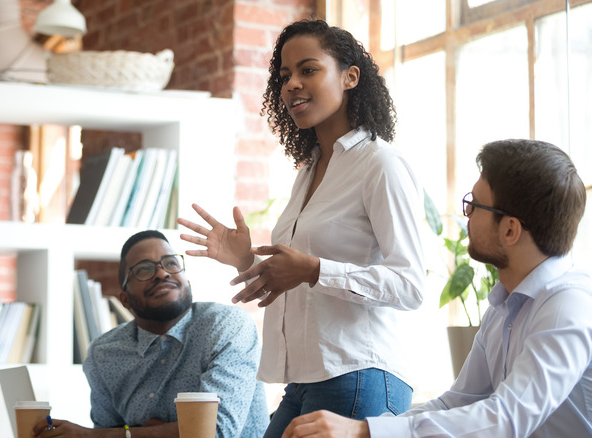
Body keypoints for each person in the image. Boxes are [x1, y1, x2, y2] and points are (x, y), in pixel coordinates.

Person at [177, 19, 425, 436]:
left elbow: (410, 285)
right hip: (307, 379)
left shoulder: (380, 165)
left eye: (308, 70)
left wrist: (313, 269)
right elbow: (297, 281)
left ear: (350, 77)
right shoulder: (309, 171)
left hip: (360, 374)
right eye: (284, 76)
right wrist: (245, 261)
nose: (291, 84)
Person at [281, 139, 592, 438]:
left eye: (474, 205)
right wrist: (369, 430)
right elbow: (455, 402)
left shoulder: (567, 306)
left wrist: (363, 431)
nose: (465, 215)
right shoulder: (505, 306)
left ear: (510, 229)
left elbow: (507, 418)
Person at [33, 230, 270, 438]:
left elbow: (215, 432)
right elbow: (108, 431)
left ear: (187, 281)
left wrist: (124, 434)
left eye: (171, 263)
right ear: (124, 299)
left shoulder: (226, 326)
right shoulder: (103, 355)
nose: (161, 273)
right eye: (144, 269)